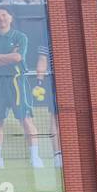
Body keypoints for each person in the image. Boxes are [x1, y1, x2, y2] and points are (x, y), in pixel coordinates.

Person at [0, 7, 42, 170]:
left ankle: (35, 158)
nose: (0, 18)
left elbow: (18, 57)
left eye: (3, 15)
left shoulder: (20, 37)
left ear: (10, 18)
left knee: (25, 119)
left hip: (16, 81)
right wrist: (8, 57)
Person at [33, 40, 63, 168]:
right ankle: (58, 156)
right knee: (55, 119)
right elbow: (42, 60)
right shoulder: (47, 40)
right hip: (57, 85)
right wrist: (39, 82)